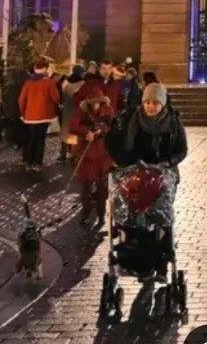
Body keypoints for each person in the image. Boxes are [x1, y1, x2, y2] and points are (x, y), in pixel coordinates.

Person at [107, 83, 188, 169]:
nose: (151, 106)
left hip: (164, 172)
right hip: (135, 171)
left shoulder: (173, 122)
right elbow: (113, 141)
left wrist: (169, 162)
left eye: (155, 103)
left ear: (163, 104)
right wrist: (125, 162)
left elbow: (182, 149)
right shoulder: (130, 119)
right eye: (147, 102)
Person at [70, 78, 116, 227]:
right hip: (87, 154)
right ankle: (86, 213)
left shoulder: (108, 111)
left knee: (102, 188)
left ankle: (102, 214)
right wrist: (86, 132)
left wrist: (99, 131)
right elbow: (73, 126)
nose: (95, 106)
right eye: (93, 103)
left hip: (102, 155)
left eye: (98, 103)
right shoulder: (82, 110)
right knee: (86, 187)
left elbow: (112, 127)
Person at [18, 59, 61, 171]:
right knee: (40, 140)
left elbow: (21, 100)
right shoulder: (49, 83)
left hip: (29, 117)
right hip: (44, 116)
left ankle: (28, 161)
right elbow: (56, 98)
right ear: (45, 69)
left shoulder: (28, 83)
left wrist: (24, 113)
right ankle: (37, 163)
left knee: (30, 139)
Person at [59, 65, 85, 163]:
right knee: (76, 131)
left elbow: (62, 94)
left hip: (66, 108)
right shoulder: (82, 83)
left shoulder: (65, 82)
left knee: (65, 130)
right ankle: (74, 154)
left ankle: (63, 154)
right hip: (77, 109)